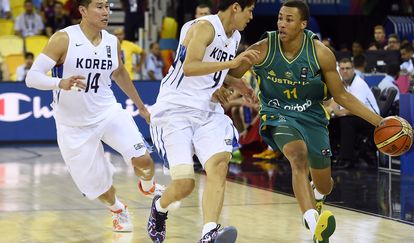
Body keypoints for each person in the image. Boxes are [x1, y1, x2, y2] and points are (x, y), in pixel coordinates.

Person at [228, 1, 383, 242]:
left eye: (289, 19)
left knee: (325, 185)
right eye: (280, 18)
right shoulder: (264, 47)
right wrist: (224, 79)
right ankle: (313, 222)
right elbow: (228, 74)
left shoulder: (320, 53)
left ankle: (318, 196)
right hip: (278, 113)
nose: (281, 23)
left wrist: (379, 122)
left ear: (303, 24)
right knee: (297, 157)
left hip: (312, 117)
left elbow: (341, 95)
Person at [25, 0, 163, 233]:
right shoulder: (63, 39)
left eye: (108, 7)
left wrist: (141, 106)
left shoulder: (111, 41)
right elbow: (32, 78)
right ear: (82, 10)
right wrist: (61, 83)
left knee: (144, 160)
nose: (106, 12)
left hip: (107, 112)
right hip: (73, 125)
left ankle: (148, 187)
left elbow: (119, 72)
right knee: (97, 188)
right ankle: (118, 209)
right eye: (99, 6)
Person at [146, 0, 258, 242]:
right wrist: (232, 64)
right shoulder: (205, 27)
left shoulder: (235, 36)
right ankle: (160, 206)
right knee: (185, 184)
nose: (251, 17)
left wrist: (233, 81)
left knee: (219, 165)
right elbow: (190, 67)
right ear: (236, 7)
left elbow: (215, 71)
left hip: (208, 110)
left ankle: (209, 232)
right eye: (250, 10)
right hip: (176, 110)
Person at [330, 58, 380, 169]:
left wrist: (336, 113)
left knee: (346, 120)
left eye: (348, 68)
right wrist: (331, 112)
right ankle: (330, 156)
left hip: (371, 118)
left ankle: (347, 159)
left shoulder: (359, 84)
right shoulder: (341, 84)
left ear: (353, 70)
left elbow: (355, 109)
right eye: (342, 69)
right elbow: (333, 102)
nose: (345, 71)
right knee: (330, 121)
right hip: (356, 116)